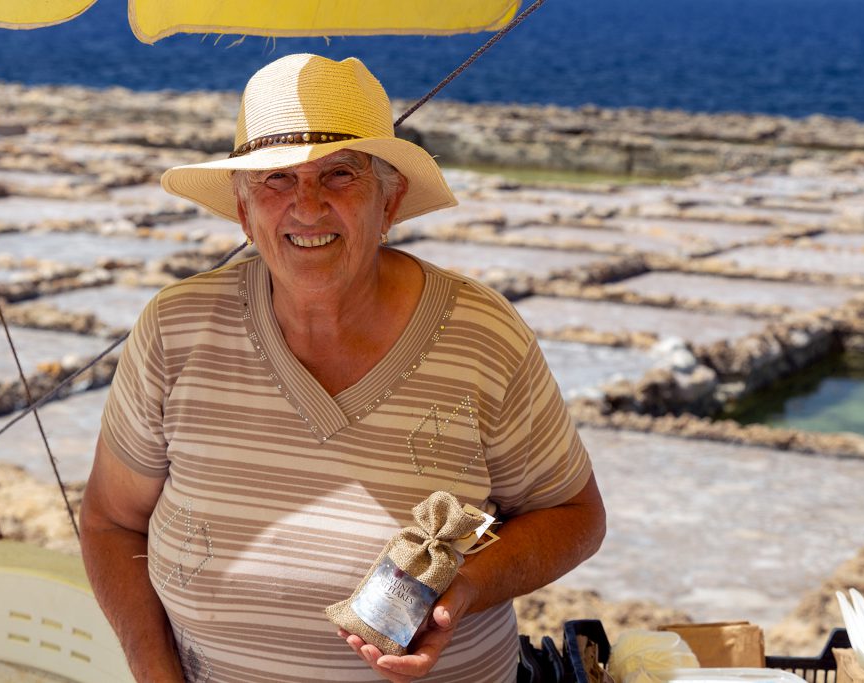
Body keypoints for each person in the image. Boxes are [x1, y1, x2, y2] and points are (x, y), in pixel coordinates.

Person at [80, 53, 605, 683]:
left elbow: (575, 514)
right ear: (244, 213)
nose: (307, 206)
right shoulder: (175, 328)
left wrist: (463, 588)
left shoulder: (479, 333)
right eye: (275, 179)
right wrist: (152, 670)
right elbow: (110, 522)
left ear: (389, 201)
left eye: (339, 175)